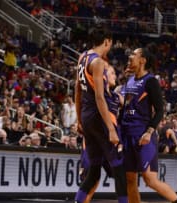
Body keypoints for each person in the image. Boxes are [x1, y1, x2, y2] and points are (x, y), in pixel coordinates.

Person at [120, 44, 177, 203]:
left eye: (134, 54)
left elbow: (160, 110)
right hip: (127, 135)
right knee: (129, 178)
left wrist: (149, 132)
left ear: (142, 60)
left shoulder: (150, 81)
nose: (131, 56)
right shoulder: (129, 81)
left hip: (143, 135)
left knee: (150, 179)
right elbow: (125, 108)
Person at [74, 26, 127, 203]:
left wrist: (79, 119)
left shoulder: (83, 57)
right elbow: (99, 96)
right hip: (99, 118)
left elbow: (77, 90)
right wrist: (111, 129)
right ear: (107, 41)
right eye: (111, 43)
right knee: (119, 169)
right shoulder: (97, 62)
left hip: (87, 117)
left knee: (94, 171)